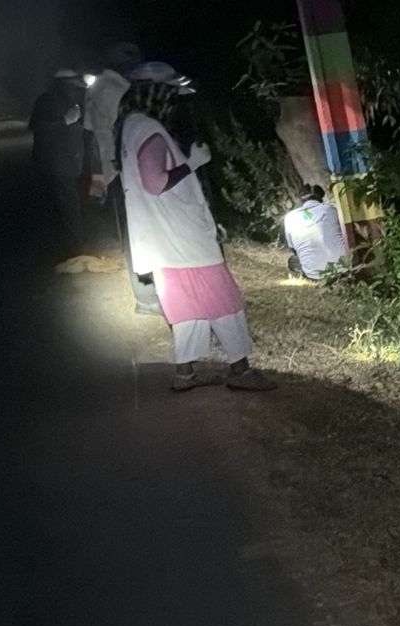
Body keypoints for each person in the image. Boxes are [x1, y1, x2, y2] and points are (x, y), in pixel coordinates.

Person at [115, 61, 275, 392]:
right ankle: (241, 369)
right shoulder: (149, 130)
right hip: (182, 235)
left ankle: (185, 373)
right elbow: (155, 182)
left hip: (161, 238)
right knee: (223, 299)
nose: (173, 103)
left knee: (185, 305)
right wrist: (193, 163)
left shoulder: (130, 127)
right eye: (170, 95)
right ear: (158, 94)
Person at [84, 41, 162, 314]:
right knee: (138, 231)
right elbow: (134, 128)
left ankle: (145, 293)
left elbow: (90, 134)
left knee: (130, 229)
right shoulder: (117, 90)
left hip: (112, 168)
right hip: (126, 166)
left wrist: (98, 175)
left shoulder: (95, 89)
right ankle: (147, 296)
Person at [29, 68, 88, 257]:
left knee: (66, 205)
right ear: (62, 85)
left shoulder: (71, 99)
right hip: (56, 163)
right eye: (72, 86)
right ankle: (74, 250)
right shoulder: (47, 101)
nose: (76, 89)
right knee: (68, 206)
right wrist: (63, 121)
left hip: (69, 161)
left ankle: (67, 246)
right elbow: (36, 125)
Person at [281, 184, 348, 280]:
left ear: (300, 199)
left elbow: (293, 249)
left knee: (293, 261)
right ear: (321, 198)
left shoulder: (290, 217)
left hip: (314, 275)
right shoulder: (330, 210)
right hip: (343, 268)